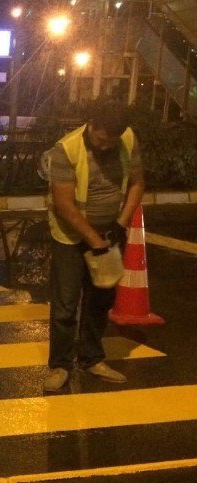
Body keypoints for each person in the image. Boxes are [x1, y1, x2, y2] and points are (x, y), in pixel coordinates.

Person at [44, 102, 145, 392]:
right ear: (92, 124)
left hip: (110, 233)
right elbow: (64, 204)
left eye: (111, 141)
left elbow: (137, 183)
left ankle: (91, 358)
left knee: (100, 300)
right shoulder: (67, 148)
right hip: (70, 236)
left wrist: (121, 224)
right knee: (65, 305)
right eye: (101, 139)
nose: (105, 146)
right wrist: (96, 241)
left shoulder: (127, 139)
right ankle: (60, 365)